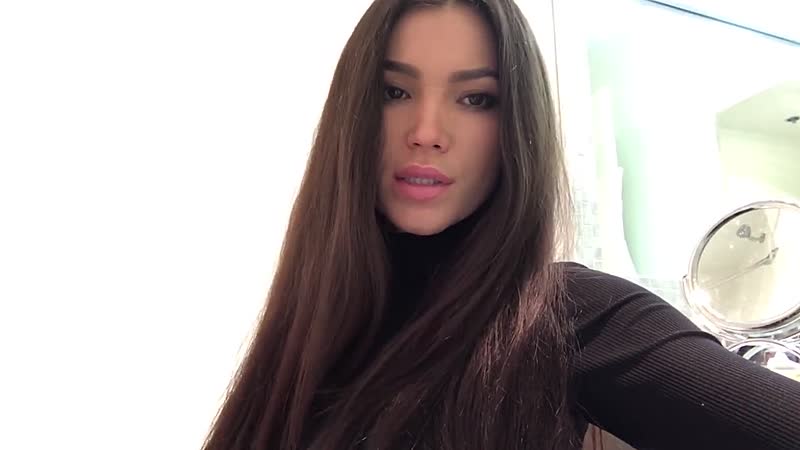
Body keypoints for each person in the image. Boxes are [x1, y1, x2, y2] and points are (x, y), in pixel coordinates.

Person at [201, 1, 800, 449]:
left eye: (475, 99)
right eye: (394, 91)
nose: (427, 131)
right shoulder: (310, 332)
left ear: (516, 129)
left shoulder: (571, 317)